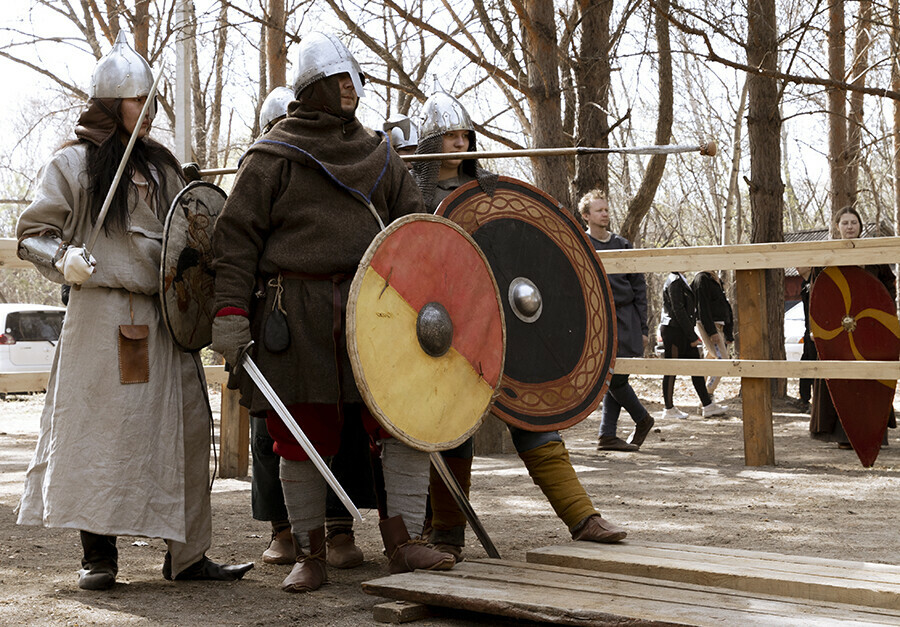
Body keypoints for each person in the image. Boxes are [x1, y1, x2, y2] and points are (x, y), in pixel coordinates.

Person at [210, 32, 454, 593]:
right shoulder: (272, 156)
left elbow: (412, 230)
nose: (349, 88)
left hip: (378, 311)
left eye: (352, 78)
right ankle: (309, 550)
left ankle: (404, 540)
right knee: (302, 430)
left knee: (400, 420)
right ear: (313, 86)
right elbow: (236, 238)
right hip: (295, 311)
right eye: (338, 79)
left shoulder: (381, 152)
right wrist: (229, 311)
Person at [14, 31, 253, 591]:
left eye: (150, 102)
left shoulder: (164, 169)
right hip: (101, 317)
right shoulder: (71, 165)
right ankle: (99, 557)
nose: (146, 113)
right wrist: (63, 257)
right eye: (135, 101)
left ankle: (188, 556)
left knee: (190, 430)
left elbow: (190, 237)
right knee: (100, 434)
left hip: (166, 318)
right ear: (108, 103)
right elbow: (31, 235)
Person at [413, 86, 627, 562]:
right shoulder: (412, 196)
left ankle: (582, 517)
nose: (460, 145)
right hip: (447, 331)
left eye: (464, 136)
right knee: (454, 429)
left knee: (535, 417)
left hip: (505, 326)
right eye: (448, 138)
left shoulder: (491, 192)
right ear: (428, 145)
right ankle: (446, 533)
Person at [802, 206, 896, 448]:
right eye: (845, 223)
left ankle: (872, 434)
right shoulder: (828, 254)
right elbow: (817, 294)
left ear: (860, 226)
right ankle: (842, 436)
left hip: (869, 329)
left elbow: (888, 287)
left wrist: (885, 319)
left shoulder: (874, 254)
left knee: (868, 379)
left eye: (854, 222)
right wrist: (817, 327)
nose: (850, 226)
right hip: (837, 330)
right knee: (841, 379)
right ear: (837, 227)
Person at [578, 190, 654, 452]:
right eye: (599, 210)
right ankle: (632, 423)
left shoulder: (622, 245)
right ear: (586, 216)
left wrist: (643, 328)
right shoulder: (582, 243)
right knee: (610, 378)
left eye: (606, 209)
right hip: (597, 320)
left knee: (615, 377)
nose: (605, 214)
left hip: (625, 319)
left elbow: (639, 289)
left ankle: (612, 432)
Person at [660, 272, 727, 419]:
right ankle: (669, 408)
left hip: (683, 330)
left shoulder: (681, 280)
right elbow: (678, 310)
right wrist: (692, 336)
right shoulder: (675, 280)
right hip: (674, 330)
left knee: (696, 367)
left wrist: (691, 334)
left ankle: (707, 405)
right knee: (671, 369)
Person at [690, 270, 734, 399]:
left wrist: (728, 333)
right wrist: (711, 332)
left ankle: (703, 400)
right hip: (710, 326)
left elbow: (725, 306)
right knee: (722, 361)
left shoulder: (715, 279)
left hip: (719, 326)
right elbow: (702, 307)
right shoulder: (701, 279)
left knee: (710, 359)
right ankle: (707, 394)